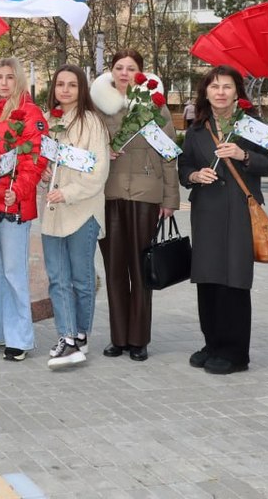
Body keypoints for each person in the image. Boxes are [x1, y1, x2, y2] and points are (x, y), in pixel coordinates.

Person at [178, 65, 268, 375]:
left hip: (239, 211)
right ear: (205, 92)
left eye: (227, 87)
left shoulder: (253, 126)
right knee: (207, 278)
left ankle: (235, 352)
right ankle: (212, 343)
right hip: (206, 211)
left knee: (234, 278)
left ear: (237, 92)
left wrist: (243, 156)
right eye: (214, 87)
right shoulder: (197, 128)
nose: (220, 92)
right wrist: (195, 175)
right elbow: (183, 167)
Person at [90, 48, 180, 362]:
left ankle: (139, 339)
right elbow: (85, 145)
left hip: (146, 195)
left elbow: (169, 154)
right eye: (119, 67)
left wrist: (170, 199)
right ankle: (119, 337)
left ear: (141, 73)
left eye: (131, 68)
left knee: (141, 271)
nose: (125, 72)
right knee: (115, 269)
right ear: (111, 72)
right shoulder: (98, 107)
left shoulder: (154, 106)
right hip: (109, 195)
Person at [0, 58, 48, 361]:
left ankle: (20, 337)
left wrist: (16, 190)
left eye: (9, 77)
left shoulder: (30, 114)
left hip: (13, 203)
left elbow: (36, 160)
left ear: (18, 80)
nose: (3, 83)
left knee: (13, 272)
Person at [40, 65, 110, 369]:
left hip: (82, 210)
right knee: (57, 278)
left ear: (82, 89)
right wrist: (44, 175)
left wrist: (67, 192)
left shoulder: (92, 123)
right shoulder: (49, 121)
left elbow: (98, 172)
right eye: (60, 84)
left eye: (72, 85)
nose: (65, 90)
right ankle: (67, 338)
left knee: (81, 278)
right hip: (53, 213)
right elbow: (45, 161)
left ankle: (81, 335)